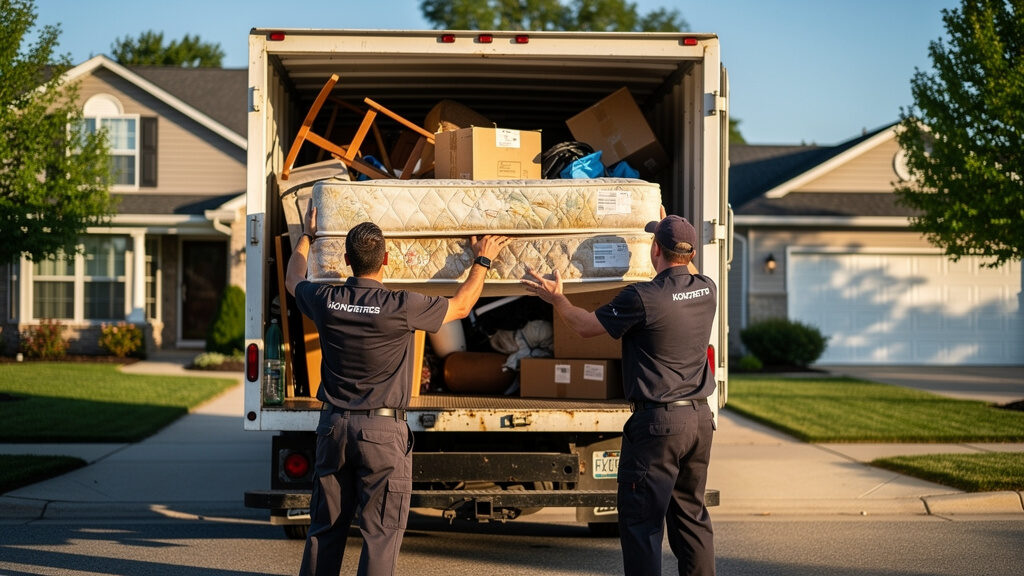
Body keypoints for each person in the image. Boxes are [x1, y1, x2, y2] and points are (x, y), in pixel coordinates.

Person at [286, 203, 511, 576]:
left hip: (334, 428)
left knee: (325, 529)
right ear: (387, 258)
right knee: (380, 534)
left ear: (346, 259)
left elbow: (294, 279)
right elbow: (462, 305)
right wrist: (482, 260)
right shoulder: (401, 305)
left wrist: (307, 236)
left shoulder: (326, 299)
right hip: (382, 433)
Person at [521, 212, 718, 576]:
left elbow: (583, 327)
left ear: (655, 249)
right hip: (699, 421)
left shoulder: (643, 297)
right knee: (691, 520)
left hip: (658, 426)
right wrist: (669, 221)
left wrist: (557, 299)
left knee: (642, 526)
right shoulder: (708, 289)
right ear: (689, 254)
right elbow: (681, 258)